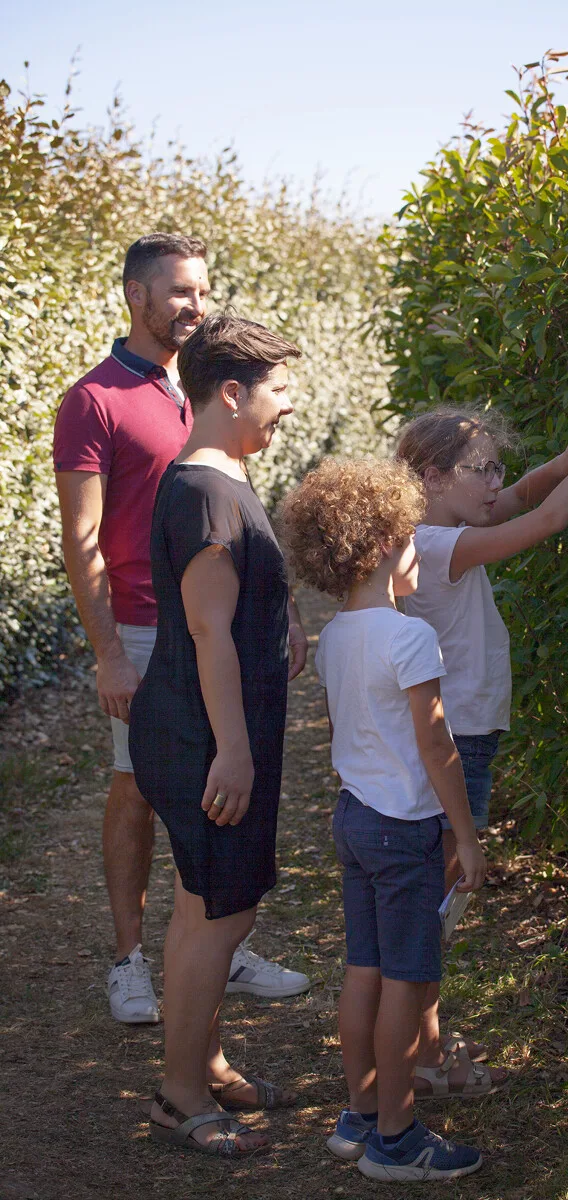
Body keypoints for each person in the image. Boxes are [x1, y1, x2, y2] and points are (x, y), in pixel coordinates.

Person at [53, 233, 309, 1025]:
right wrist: (108, 655)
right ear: (137, 296)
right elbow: (81, 537)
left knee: (214, 797)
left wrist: (285, 607)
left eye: (202, 290)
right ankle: (131, 960)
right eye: (179, 292)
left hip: (218, 619)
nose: (196, 305)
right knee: (140, 789)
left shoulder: (204, 387)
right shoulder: (94, 400)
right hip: (142, 628)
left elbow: (237, 500)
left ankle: (217, 944)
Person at [395, 394, 568, 1098]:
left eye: (494, 468)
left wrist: (564, 460)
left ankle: (422, 1044)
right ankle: (414, 1058)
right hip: (459, 742)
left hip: (465, 735)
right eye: (478, 470)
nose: (493, 483)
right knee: (434, 910)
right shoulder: (434, 547)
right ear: (429, 474)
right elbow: (545, 519)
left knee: (435, 907)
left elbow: (518, 499)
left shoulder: (433, 530)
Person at [280, 457, 488, 1183]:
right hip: (405, 830)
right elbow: (437, 747)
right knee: (406, 977)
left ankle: (362, 1113)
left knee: (363, 969)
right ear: (377, 551)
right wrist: (464, 834)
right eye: (408, 539)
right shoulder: (408, 639)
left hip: (356, 820)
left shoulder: (337, 636)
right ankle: (396, 1140)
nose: (418, 553)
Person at [128, 311, 301, 1157]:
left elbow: (241, 603)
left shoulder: (222, 477)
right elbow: (207, 633)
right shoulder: (203, 489)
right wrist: (233, 749)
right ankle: (182, 1095)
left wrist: (286, 617)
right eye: (278, 393)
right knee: (218, 919)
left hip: (212, 730)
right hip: (205, 738)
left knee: (204, 906)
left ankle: (209, 1062)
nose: (286, 409)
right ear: (231, 391)